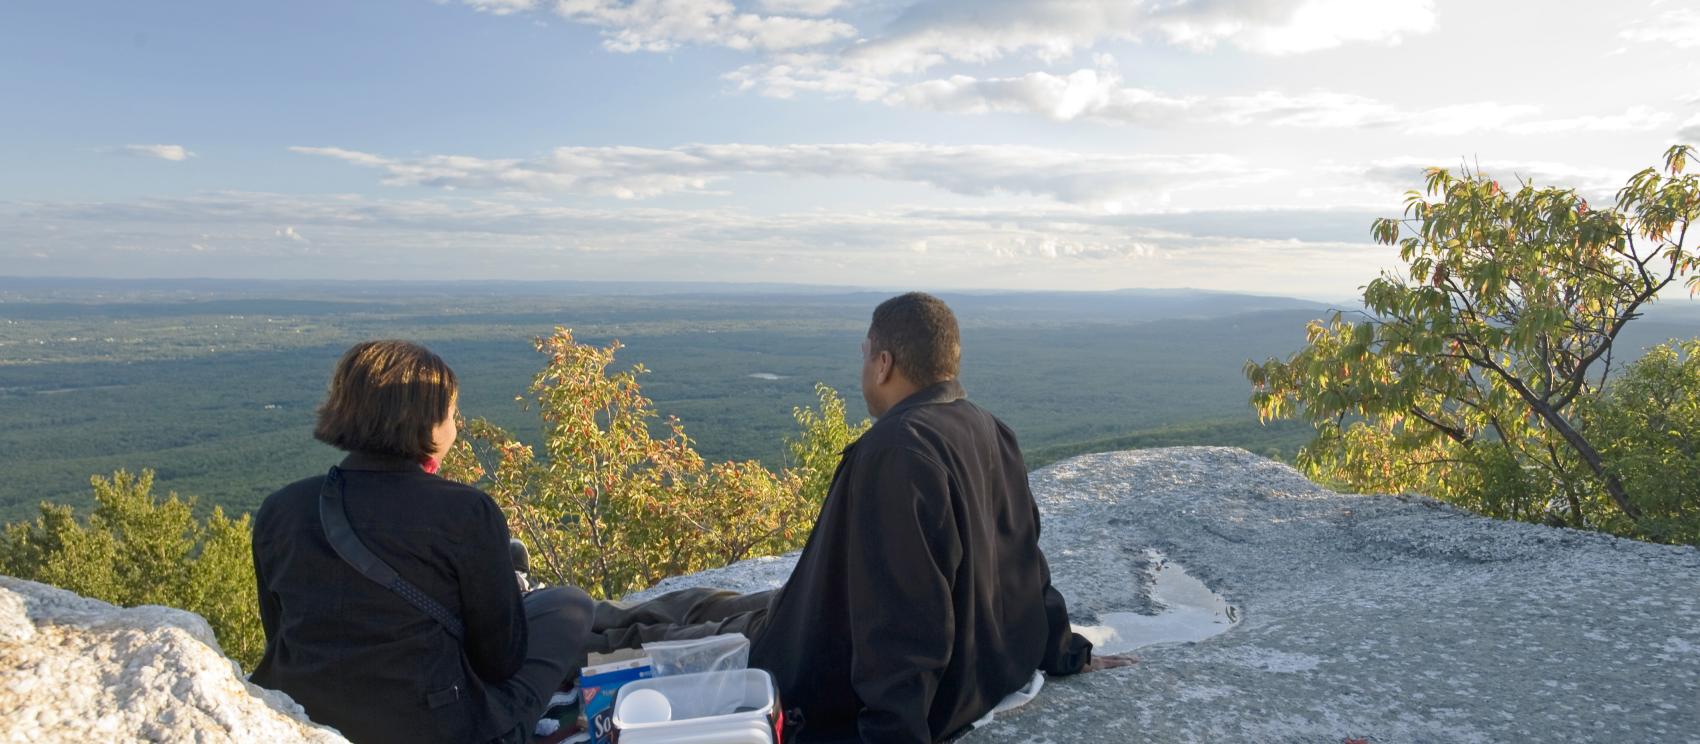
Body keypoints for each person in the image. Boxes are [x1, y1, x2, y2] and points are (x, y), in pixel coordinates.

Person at [590, 292, 1133, 743]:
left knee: (641, 631)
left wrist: (893, 733)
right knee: (709, 602)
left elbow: (902, 619)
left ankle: (559, 623)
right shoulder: (991, 429)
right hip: (881, 638)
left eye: (864, 356)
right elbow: (1026, 560)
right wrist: (1064, 650)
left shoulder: (897, 452)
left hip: (811, 662)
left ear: (884, 363)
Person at [250, 340, 593, 744]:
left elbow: (280, 635)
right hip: (442, 727)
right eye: (451, 414)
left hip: (308, 718)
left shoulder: (280, 509)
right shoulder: (465, 512)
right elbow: (499, 663)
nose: (455, 426)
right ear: (426, 422)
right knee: (568, 605)